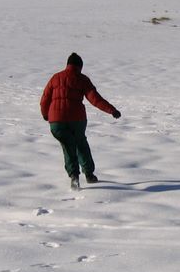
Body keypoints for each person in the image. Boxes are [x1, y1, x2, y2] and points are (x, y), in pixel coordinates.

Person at [40, 52, 121, 190]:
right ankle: (89, 174)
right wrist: (112, 110)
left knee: (68, 146)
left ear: (67, 64)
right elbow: (95, 99)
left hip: (56, 122)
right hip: (77, 119)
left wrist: (45, 114)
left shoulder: (55, 78)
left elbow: (45, 99)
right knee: (80, 143)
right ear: (79, 66)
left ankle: (74, 176)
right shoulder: (82, 79)